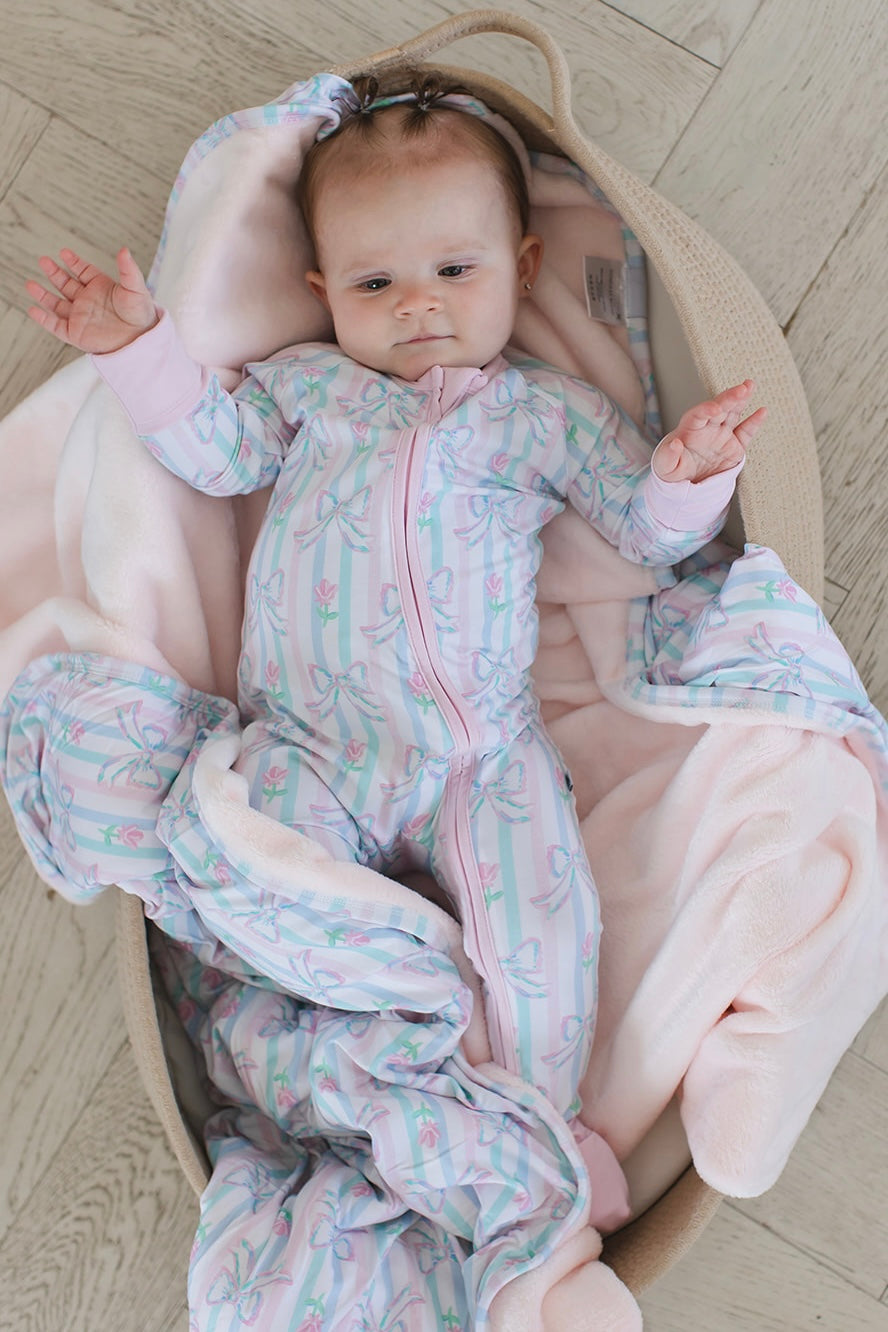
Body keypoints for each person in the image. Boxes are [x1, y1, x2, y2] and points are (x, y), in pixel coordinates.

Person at [25, 79, 764, 1194]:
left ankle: (539, 1131)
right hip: (313, 742)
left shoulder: (543, 414)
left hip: (482, 756)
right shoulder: (310, 389)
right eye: (376, 284)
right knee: (236, 848)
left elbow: (639, 528)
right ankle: (408, 999)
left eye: (455, 271)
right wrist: (139, 348)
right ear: (322, 292)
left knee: (543, 927)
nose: (417, 305)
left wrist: (686, 474)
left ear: (521, 267)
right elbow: (215, 454)